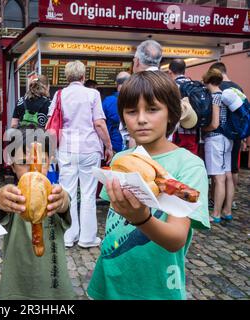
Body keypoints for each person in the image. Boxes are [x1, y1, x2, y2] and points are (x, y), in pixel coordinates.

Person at [87, 71, 209, 300]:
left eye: (152, 109)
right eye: (132, 111)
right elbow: (115, 225)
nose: (141, 119)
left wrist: (141, 218)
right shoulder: (119, 159)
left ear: (171, 114)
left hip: (158, 288)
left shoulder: (189, 166)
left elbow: (176, 239)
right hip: (109, 277)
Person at [0, 126, 75, 299]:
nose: (33, 169)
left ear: (50, 161)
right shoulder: (12, 198)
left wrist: (63, 202)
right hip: (16, 287)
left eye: (40, 161)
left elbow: (64, 203)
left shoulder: (55, 195)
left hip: (54, 287)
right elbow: (1, 208)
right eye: (23, 162)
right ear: (12, 165)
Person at [48, 60, 113, 248]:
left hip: (67, 148)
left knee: (67, 192)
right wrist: (108, 145)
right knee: (88, 193)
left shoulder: (59, 95)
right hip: (89, 147)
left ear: (67, 77)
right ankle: (87, 238)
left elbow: (52, 122)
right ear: (83, 76)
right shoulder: (93, 94)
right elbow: (99, 123)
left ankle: (68, 236)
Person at [209, 62, 244, 210]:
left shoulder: (218, 88)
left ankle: (215, 203)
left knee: (218, 175)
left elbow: (215, 120)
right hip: (234, 135)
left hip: (219, 135)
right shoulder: (238, 88)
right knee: (231, 170)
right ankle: (229, 205)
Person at [202, 68, 234, 223]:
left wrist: (203, 130)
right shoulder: (226, 96)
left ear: (207, 81)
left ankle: (215, 214)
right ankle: (227, 210)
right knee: (227, 176)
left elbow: (214, 123)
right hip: (228, 139)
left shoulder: (215, 97)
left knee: (219, 178)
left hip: (215, 139)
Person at [168, 58, 199, 155]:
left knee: (175, 157)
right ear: (184, 71)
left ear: (169, 72)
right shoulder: (193, 84)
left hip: (176, 131)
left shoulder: (172, 86)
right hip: (193, 128)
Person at [102, 71, 130, 153]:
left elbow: (101, 123)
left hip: (113, 146)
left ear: (116, 84)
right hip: (133, 146)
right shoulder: (137, 98)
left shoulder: (108, 101)